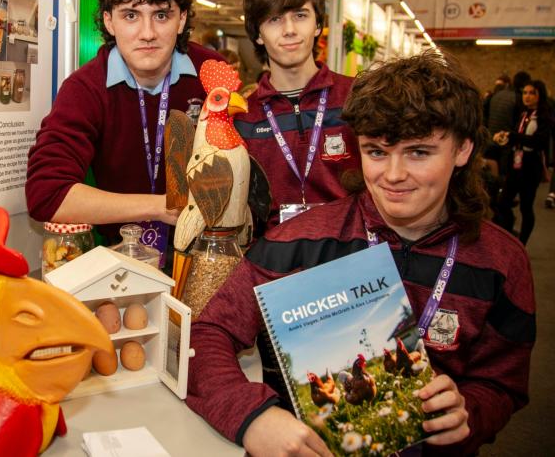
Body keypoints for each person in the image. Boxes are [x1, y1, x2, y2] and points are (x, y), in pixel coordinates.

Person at [186, 52, 535, 456]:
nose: (393, 175)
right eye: (376, 152)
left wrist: (470, 411)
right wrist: (251, 416)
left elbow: (503, 383)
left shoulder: (502, 263)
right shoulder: (300, 242)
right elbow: (205, 334)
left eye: (419, 152)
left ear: (462, 150)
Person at [25, 0, 221, 245]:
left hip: (204, 250)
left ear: (181, 20)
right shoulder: (86, 88)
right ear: (109, 21)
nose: (147, 33)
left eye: (162, 15)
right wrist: (162, 206)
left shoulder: (211, 74)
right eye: (131, 15)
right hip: (123, 253)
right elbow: (47, 195)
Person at [234, 0, 360, 230]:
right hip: (273, 260)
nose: (289, 30)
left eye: (300, 16)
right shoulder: (244, 116)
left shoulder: (357, 97)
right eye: (275, 19)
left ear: (317, 25)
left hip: (350, 254)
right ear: (258, 34)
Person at [494, 80, 552, 244]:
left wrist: (514, 137)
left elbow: (539, 142)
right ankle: (508, 234)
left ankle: (522, 244)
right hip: (515, 163)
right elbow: (517, 135)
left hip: (530, 166)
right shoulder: (523, 114)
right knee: (502, 202)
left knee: (526, 207)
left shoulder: (544, 117)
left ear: (539, 95)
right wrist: (505, 137)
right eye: (525, 93)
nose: (527, 96)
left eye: (531, 93)